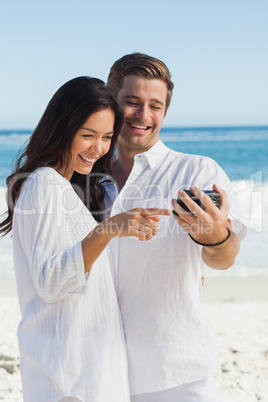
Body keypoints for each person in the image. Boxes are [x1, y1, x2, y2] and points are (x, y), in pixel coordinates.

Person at [0, 76, 171, 402]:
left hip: (84, 374)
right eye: (87, 135)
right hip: (69, 380)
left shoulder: (66, 190)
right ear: (62, 129)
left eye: (107, 137)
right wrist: (109, 229)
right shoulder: (44, 184)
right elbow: (51, 282)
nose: (99, 148)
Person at [105, 53, 247, 401]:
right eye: (132, 102)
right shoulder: (80, 176)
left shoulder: (197, 172)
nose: (143, 115)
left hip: (176, 372)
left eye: (155, 105)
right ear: (110, 102)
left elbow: (224, 258)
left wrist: (214, 236)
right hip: (98, 373)